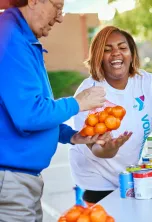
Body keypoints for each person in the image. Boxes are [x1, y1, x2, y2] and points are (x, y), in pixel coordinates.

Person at [0, 1, 107, 221]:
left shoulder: (21, 37)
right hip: (10, 179)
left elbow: (24, 109)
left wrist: (71, 136)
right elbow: (30, 115)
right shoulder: (10, 38)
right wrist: (78, 102)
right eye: (57, 7)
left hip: (19, 179)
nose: (59, 17)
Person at [69, 26, 152, 204]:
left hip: (130, 175)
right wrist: (110, 148)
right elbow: (96, 149)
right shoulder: (90, 92)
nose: (116, 54)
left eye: (122, 48)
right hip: (96, 183)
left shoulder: (148, 82)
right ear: (98, 56)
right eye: (107, 50)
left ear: (131, 53)